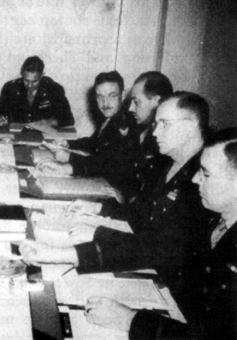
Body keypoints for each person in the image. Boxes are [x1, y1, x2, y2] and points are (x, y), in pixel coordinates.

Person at [21, 92, 212, 312]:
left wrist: (80, 243)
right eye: (156, 123)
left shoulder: (203, 182)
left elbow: (159, 248)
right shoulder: (168, 164)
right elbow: (141, 214)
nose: (155, 131)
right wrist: (99, 208)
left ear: (190, 127)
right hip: (148, 270)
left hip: (175, 294)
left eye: (164, 124)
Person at [83, 129, 237, 340]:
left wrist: (131, 320)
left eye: (206, 173)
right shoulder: (215, 221)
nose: (194, 179)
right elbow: (162, 250)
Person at [37, 71, 136, 197]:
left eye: (112, 96)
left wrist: (69, 159)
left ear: (122, 95)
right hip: (101, 183)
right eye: (100, 96)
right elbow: (94, 142)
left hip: (117, 193)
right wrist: (68, 144)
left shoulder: (125, 124)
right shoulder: (111, 119)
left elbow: (106, 165)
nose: (105, 103)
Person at [125, 71, 174, 201]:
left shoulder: (165, 142)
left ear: (155, 101)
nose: (130, 109)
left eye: (136, 102)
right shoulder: (139, 131)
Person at [0, 56, 74, 128]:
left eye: (34, 81)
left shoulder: (54, 89)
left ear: (42, 75)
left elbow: (69, 119)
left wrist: (52, 122)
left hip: (45, 139)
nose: (29, 85)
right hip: (16, 137)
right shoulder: (10, 88)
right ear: (21, 74)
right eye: (26, 80)